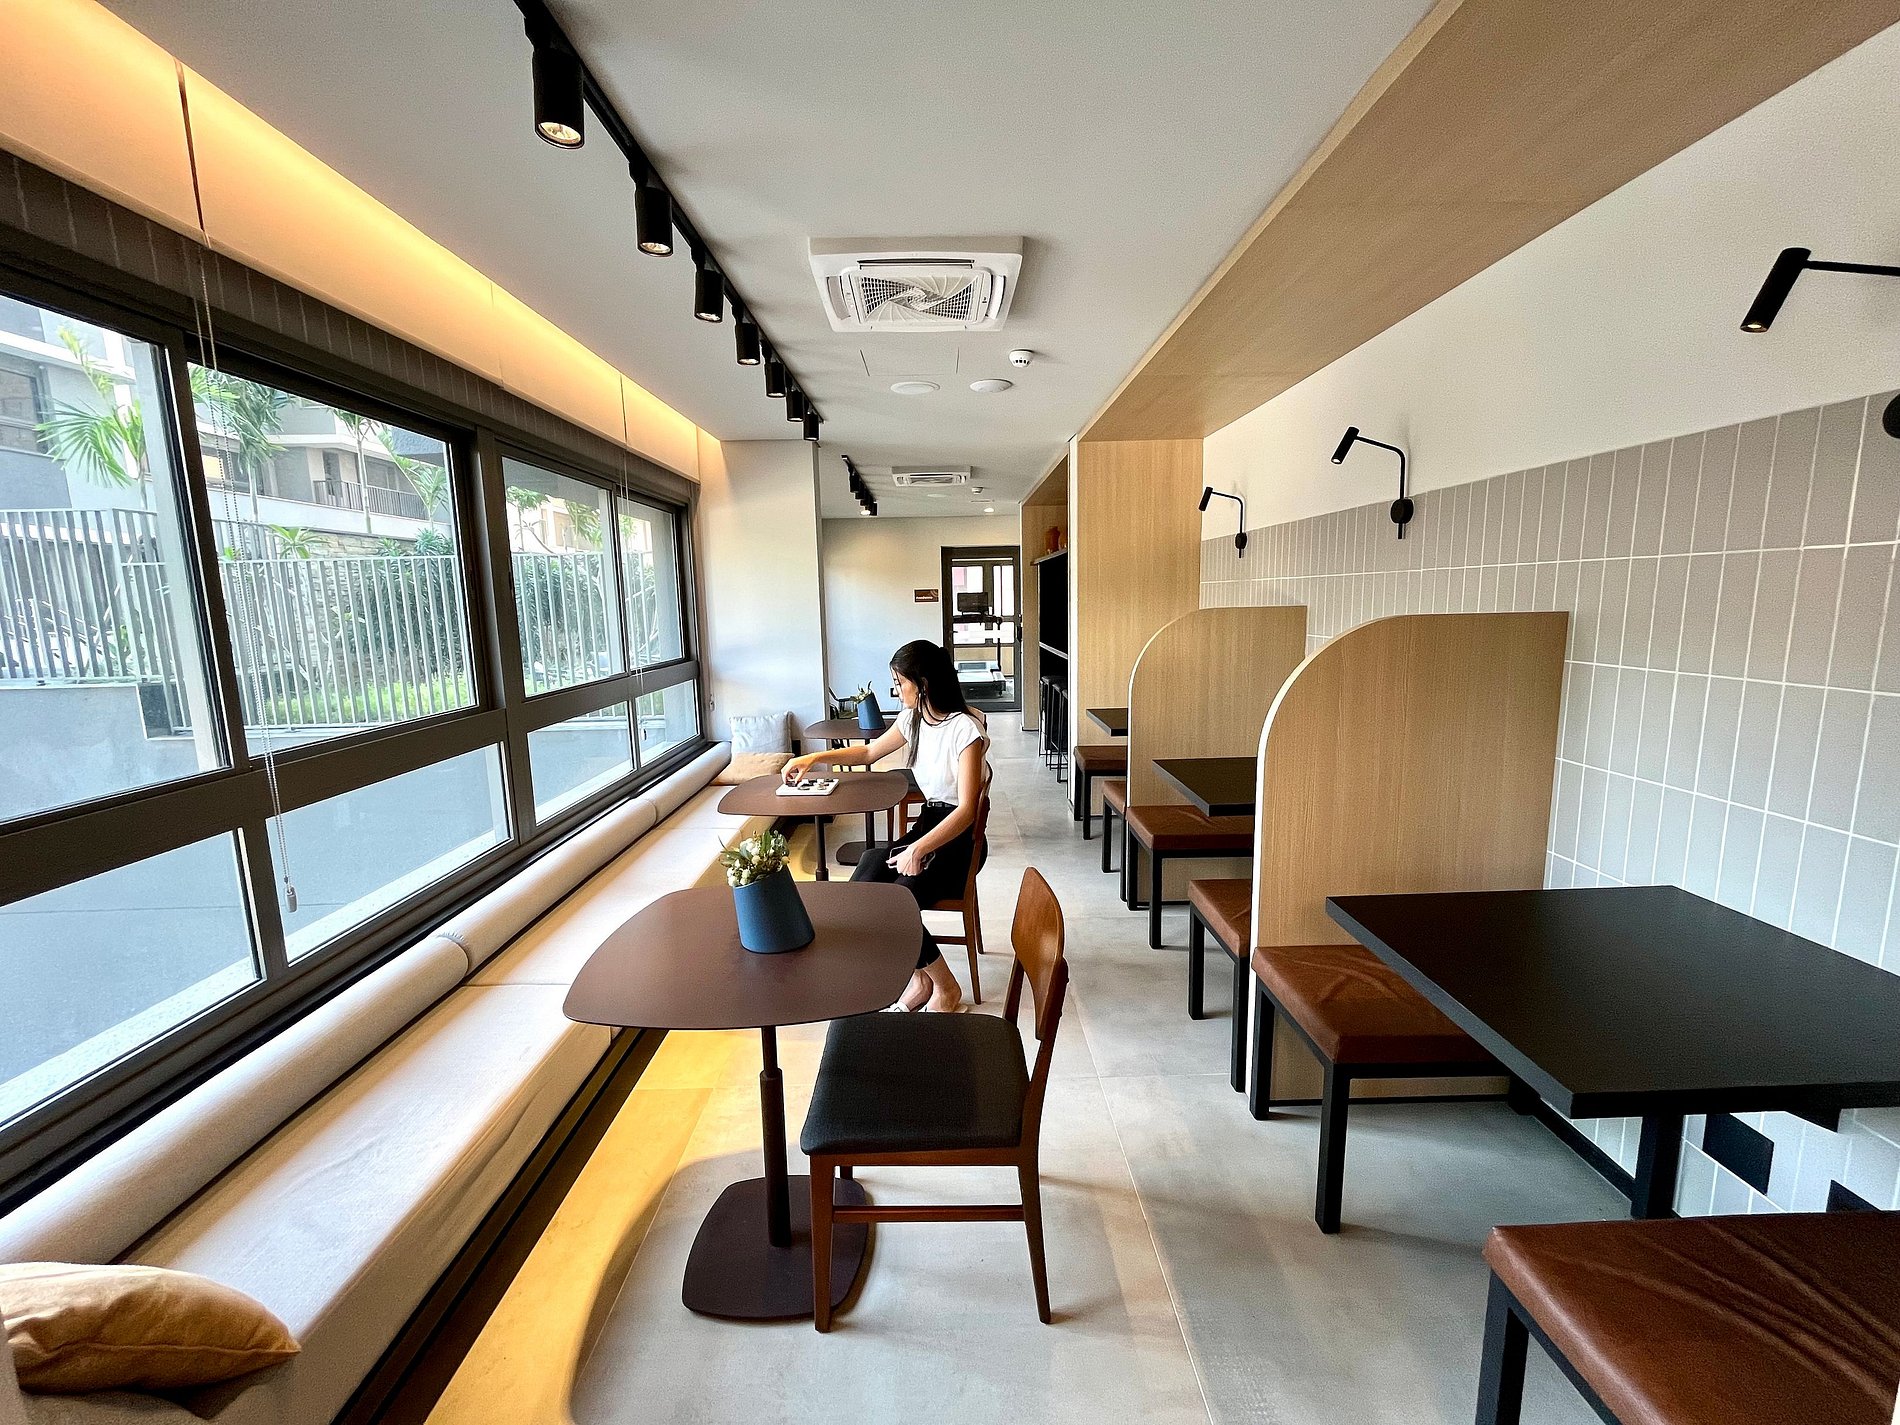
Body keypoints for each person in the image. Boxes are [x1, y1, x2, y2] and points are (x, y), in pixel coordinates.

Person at [781, 640, 988, 1012]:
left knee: (895, 902)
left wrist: (919, 849)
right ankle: (921, 979)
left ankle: (946, 989)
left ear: (923, 684)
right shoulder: (913, 719)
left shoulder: (964, 730)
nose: (897, 691)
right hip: (929, 824)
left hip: (958, 840)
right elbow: (868, 752)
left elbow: (968, 809)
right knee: (865, 881)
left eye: (900, 682)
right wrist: (813, 758)